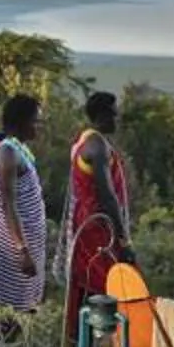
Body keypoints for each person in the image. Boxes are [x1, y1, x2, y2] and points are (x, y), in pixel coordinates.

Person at [0, 94, 49, 341]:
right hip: (12, 254)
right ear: (20, 122)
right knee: (8, 315)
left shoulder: (17, 148)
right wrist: (21, 249)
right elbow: (7, 204)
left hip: (25, 248)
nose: (39, 126)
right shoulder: (7, 154)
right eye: (36, 121)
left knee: (21, 314)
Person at [66, 90, 136, 314]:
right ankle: (103, 342)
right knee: (105, 286)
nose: (117, 119)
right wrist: (123, 241)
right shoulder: (97, 146)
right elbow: (107, 196)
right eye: (114, 115)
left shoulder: (83, 140)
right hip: (99, 226)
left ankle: (83, 343)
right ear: (103, 116)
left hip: (86, 222)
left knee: (87, 281)